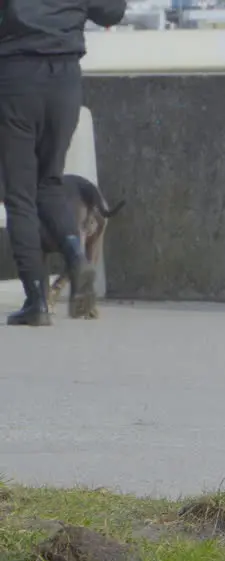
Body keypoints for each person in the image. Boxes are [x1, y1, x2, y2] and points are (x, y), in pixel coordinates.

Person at [0, 0, 126, 326]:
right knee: (50, 183)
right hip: (65, 81)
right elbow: (112, 11)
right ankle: (74, 255)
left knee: (20, 196)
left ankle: (36, 301)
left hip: (16, 78)